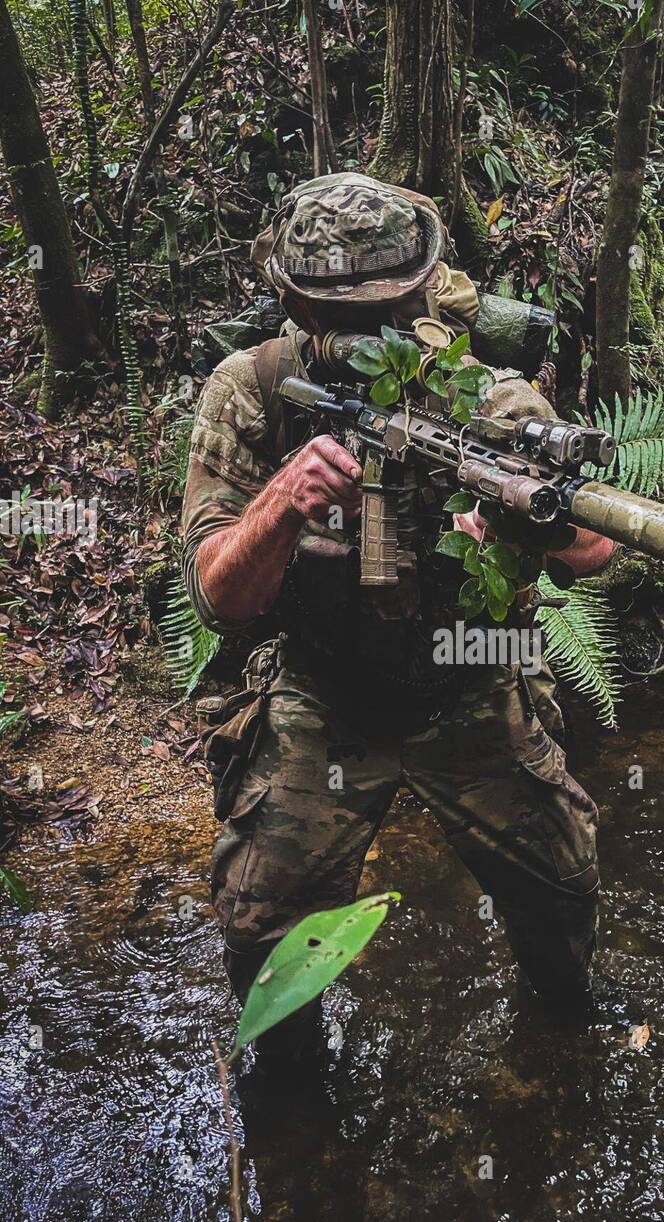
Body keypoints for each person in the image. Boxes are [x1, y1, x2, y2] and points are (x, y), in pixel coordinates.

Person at [182, 173, 615, 1053]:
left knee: (559, 888)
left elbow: (595, 548)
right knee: (260, 922)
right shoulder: (253, 390)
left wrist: (506, 514)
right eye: (339, 314)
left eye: (383, 312)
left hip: (471, 689)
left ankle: (561, 1050)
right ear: (295, 304)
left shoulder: (486, 397)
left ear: (423, 292)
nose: (365, 337)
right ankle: (292, 1091)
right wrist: (282, 501)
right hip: (323, 691)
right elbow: (219, 593)